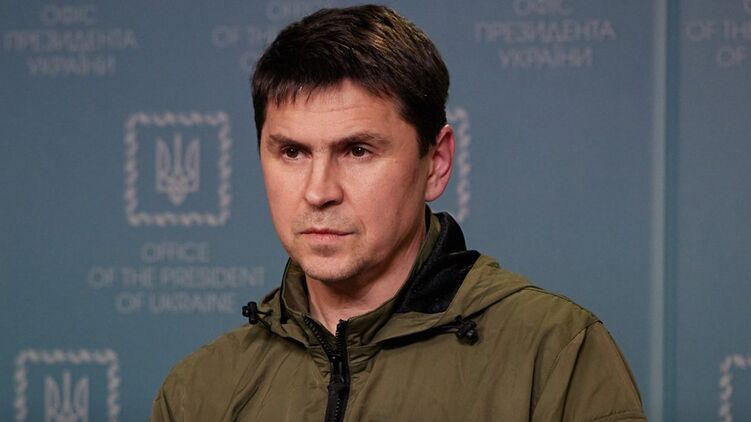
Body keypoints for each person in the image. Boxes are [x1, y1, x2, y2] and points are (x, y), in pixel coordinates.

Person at [151, 5, 646, 421]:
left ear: (437, 163)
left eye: (357, 151)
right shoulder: (198, 392)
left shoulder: (555, 356)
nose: (318, 192)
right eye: (293, 152)